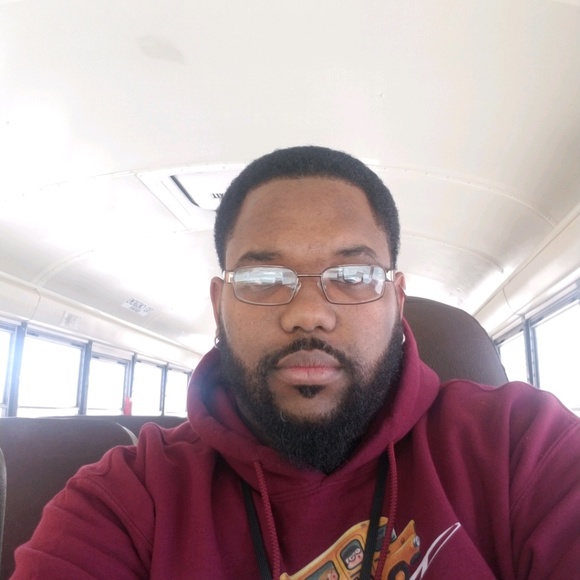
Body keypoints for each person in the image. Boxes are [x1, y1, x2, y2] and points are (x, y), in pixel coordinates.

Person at [12, 146, 580, 579]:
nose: (308, 314)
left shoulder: (524, 446)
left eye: (353, 275)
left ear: (396, 298)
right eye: (263, 277)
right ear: (220, 305)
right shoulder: (130, 499)